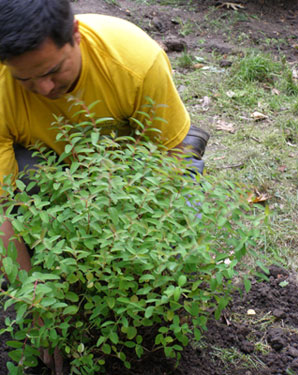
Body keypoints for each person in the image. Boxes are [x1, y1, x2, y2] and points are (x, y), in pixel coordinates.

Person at [0, 0, 209, 372]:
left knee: (180, 244)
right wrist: (33, 300)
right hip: (50, 160)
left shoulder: (133, 59)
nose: (43, 88)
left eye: (51, 71)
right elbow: (2, 205)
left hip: (139, 160)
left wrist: (132, 245)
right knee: (26, 191)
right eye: (25, 80)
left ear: (75, 36)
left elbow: (169, 159)